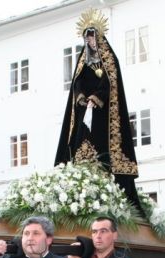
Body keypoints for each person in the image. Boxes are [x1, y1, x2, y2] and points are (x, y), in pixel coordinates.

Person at [55, 9, 141, 210]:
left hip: (104, 116)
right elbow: (77, 83)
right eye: (87, 38)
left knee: (102, 146)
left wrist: (97, 98)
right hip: (85, 112)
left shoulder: (110, 60)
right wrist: (83, 98)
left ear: (99, 38)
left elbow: (110, 83)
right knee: (81, 142)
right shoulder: (82, 63)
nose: (90, 42)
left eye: (93, 37)